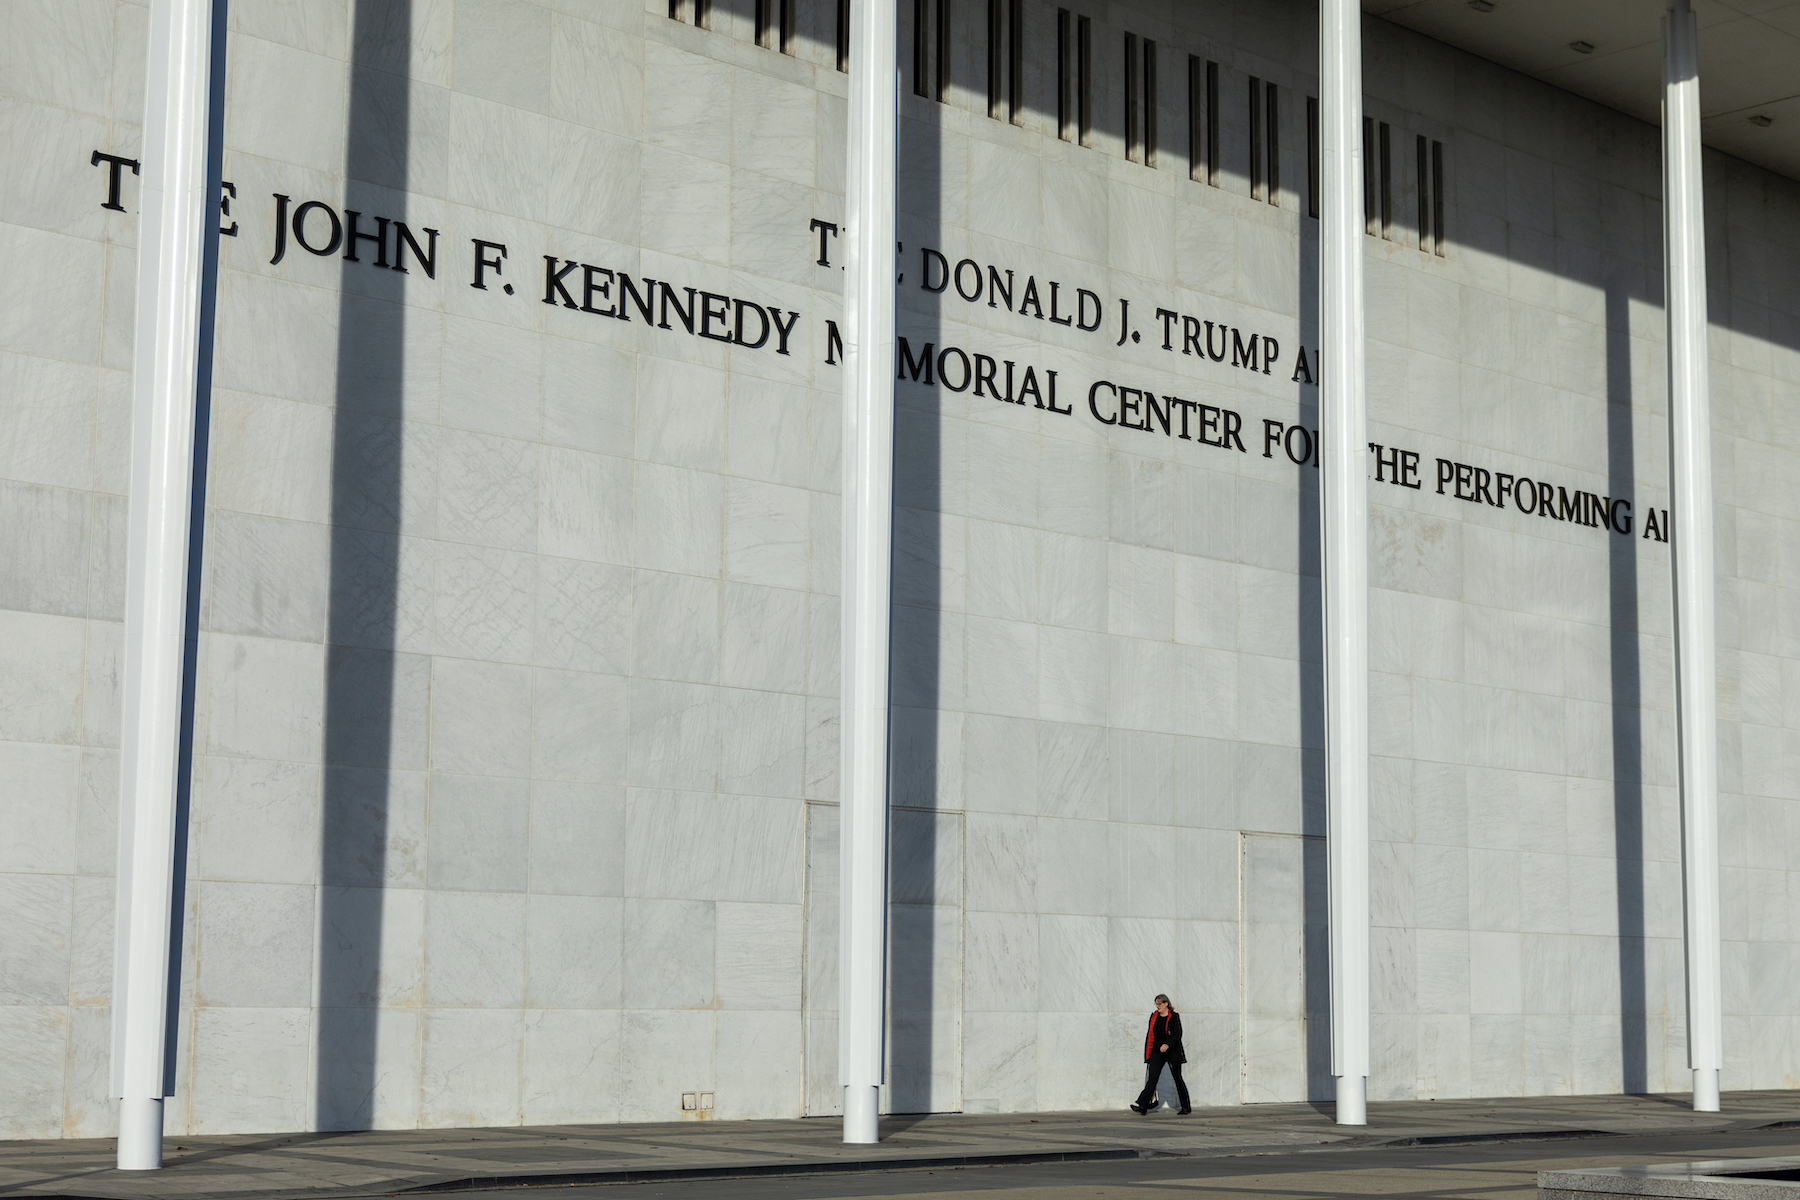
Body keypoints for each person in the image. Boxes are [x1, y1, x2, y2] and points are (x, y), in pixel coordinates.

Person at [1129, 994, 1190, 1115]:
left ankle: (1186, 1107)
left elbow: (1177, 1035)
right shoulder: (1154, 1017)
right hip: (1158, 1050)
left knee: (1178, 1078)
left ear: (1166, 1003)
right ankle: (1143, 1105)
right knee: (1152, 1078)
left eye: (1160, 1004)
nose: (1157, 1006)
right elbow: (1152, 1036)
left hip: (1172, 1051)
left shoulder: (1174, 1017)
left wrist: (1167, 1045)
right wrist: (1159, 1046)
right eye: (1156, 1004)